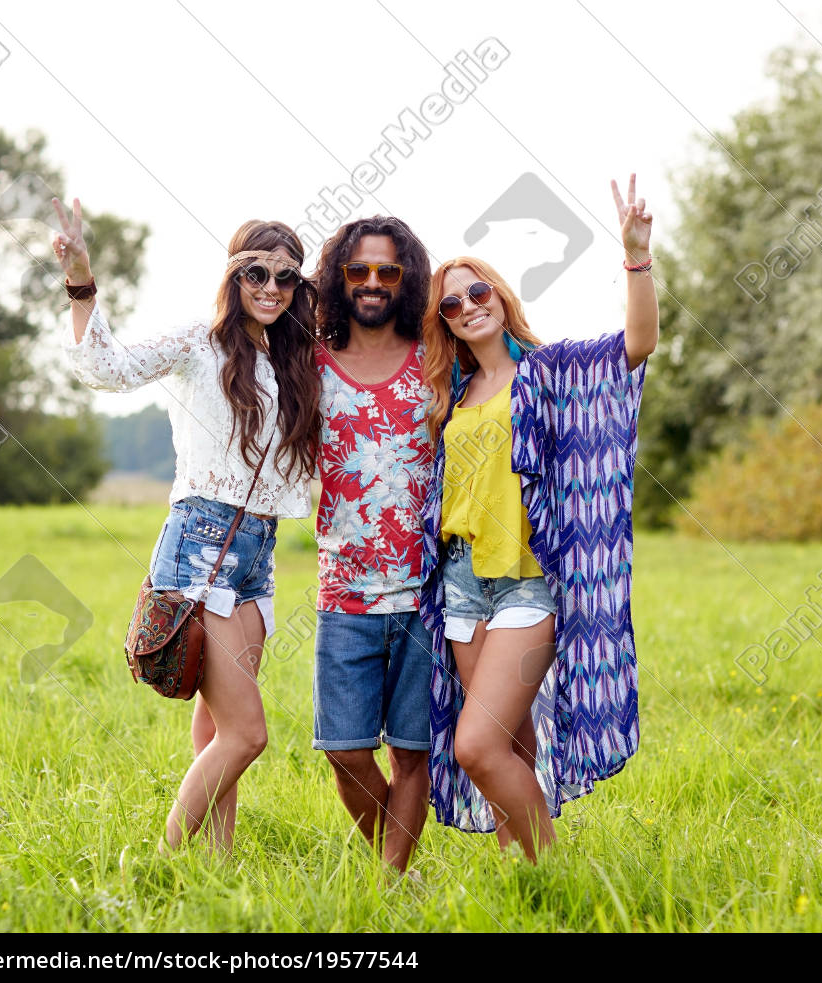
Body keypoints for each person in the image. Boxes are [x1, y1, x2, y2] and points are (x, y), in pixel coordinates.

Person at [50, 197, 321, 855]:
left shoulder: (298, 358)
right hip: (201, 541)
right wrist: (81, 280)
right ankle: (161, 858)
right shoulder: (199, 343)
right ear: (233, 275)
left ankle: (219, 864)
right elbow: (105, 369)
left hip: (258, 549)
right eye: (258, 273)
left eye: (287, 277)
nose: (272, 288)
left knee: (219, 722)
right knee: (247, 732)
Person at [418, 175, 659, 860]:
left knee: (476, 744)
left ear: (501, 296)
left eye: (478, 291)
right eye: (452, 304)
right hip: (462, 585)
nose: (468, 306)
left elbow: (637, 345)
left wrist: (636, 257)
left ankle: (548, 866)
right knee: (512, 741)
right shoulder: (451, 397)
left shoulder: (550, 372)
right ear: (445, 321)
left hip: (528, 582)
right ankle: (523, 882)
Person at [310, 216, 436, 872]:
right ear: (339, 277)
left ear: (407, 277)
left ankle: (393, 885)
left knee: (413, 751)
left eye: (389, 270)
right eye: (358, 270)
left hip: (428, 594)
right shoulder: (313, 365)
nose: (373, 282)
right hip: (343, 595)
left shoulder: (437, 358)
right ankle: (400, 866)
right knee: (345, 749)